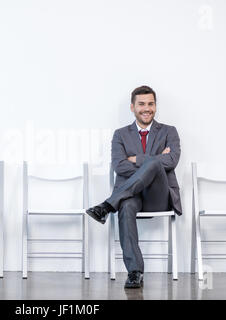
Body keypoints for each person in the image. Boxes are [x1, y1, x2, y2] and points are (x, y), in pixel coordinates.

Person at [86, 85, 182, 289]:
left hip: (159, 195)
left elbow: (171, 160)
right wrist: (155, 162)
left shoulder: (169, 131)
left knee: (155, 165)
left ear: (155, 106)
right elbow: (119, 166)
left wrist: (138, 159)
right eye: (141, 104)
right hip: (132, 196)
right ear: (132, 107)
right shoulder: (120, 134)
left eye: (151, 104)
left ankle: (107, 205)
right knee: (128, 204)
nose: (147, 108)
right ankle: (135, 272)